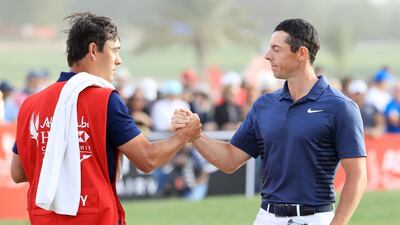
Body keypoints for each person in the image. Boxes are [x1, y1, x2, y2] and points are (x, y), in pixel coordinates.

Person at [10, 12, 201, 225]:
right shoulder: (105, 99)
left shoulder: (31, 104)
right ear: (93, 50)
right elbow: (148, 159)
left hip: (44, 218)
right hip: (97, 217)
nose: (119, 60)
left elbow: (18, 173)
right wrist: (184, 136)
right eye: (115, 50)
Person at [173, 19, 367, 225]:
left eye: (276, 49)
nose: (267, 56)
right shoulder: (264, 105)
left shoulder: (341, 107)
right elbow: (229, 160)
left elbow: (357, 176)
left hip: (315, 218)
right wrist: (196, 136)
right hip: (266, 217)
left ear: (301, 53)